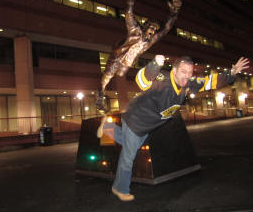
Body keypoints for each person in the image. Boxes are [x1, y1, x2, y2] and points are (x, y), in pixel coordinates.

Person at [97, 55, 250, 201]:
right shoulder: (162, 79)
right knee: (128, 156)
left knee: (131, 144)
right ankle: (120, 188)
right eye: (183, 72)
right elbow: (142, 81)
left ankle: (107, 128)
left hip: (148, 124)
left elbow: (210, 81)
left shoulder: (188, 82)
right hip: (136, 119)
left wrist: (232, 72)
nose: (187, 76)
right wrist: (154, 65)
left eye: (189, 73)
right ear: (174, 71)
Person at [96, 0, 182, 112]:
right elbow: (128, 13)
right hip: (119, 56)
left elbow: (166, 29)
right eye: (151, 28)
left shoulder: (150, 41)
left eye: (154, 30)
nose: (152, 31)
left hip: (127, 63)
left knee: (120, 74)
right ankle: (100, 96)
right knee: (108, 75)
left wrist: (175, 12)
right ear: (145, 26)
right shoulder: (135, 30)